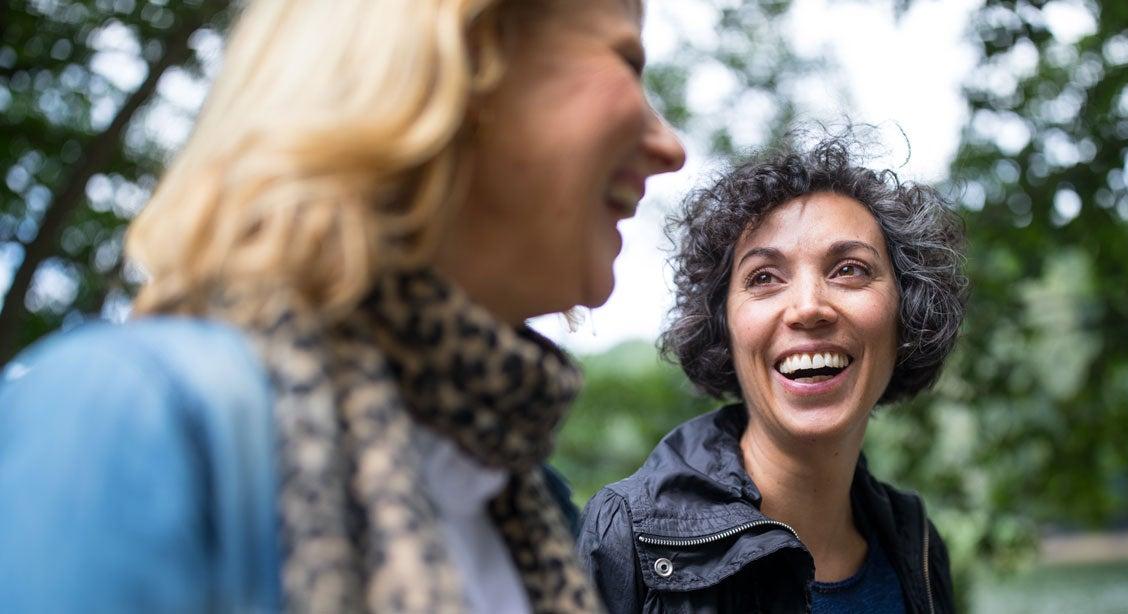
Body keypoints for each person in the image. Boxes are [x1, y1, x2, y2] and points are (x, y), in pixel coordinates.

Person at [0, 0, 684, 611]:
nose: (670, 147)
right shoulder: (132, 416)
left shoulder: (526, 507)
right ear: (467, 53)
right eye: (626, 59)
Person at [577, 135, 965, 613]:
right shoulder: (626, 537)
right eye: (764, 277)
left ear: (906, 315)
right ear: (724, 327)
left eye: (849, 269)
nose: (808, 308)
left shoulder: (918, 544)